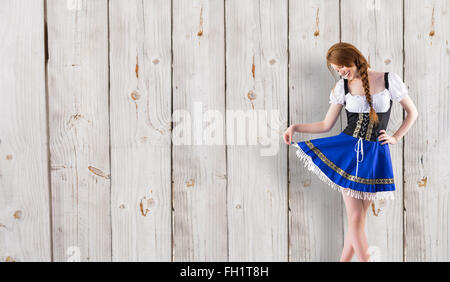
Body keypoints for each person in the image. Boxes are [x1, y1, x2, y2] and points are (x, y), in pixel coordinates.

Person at [283, 42, 418, 262]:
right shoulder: (342, 88)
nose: (341, 72)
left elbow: (412, 112)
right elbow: (326, 124)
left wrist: (395, 137)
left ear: (353, 58)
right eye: (336, 70)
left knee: (358, 220)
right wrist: (295, 127)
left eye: (342, 66)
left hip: (375, 156)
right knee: (356, 218)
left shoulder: (388, 79)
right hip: (348, 154)